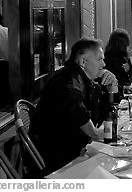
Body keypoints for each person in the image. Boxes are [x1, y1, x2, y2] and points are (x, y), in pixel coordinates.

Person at [29, 38, 118, 176]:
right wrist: (116, 137)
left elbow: (100, 118)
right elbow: (93, 133)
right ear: (83, 62)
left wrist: (112, 88)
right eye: (100, 59)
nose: (104, 64)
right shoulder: (70, 84)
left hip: (73, 150)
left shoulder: (82, 79)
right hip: (59, 160)